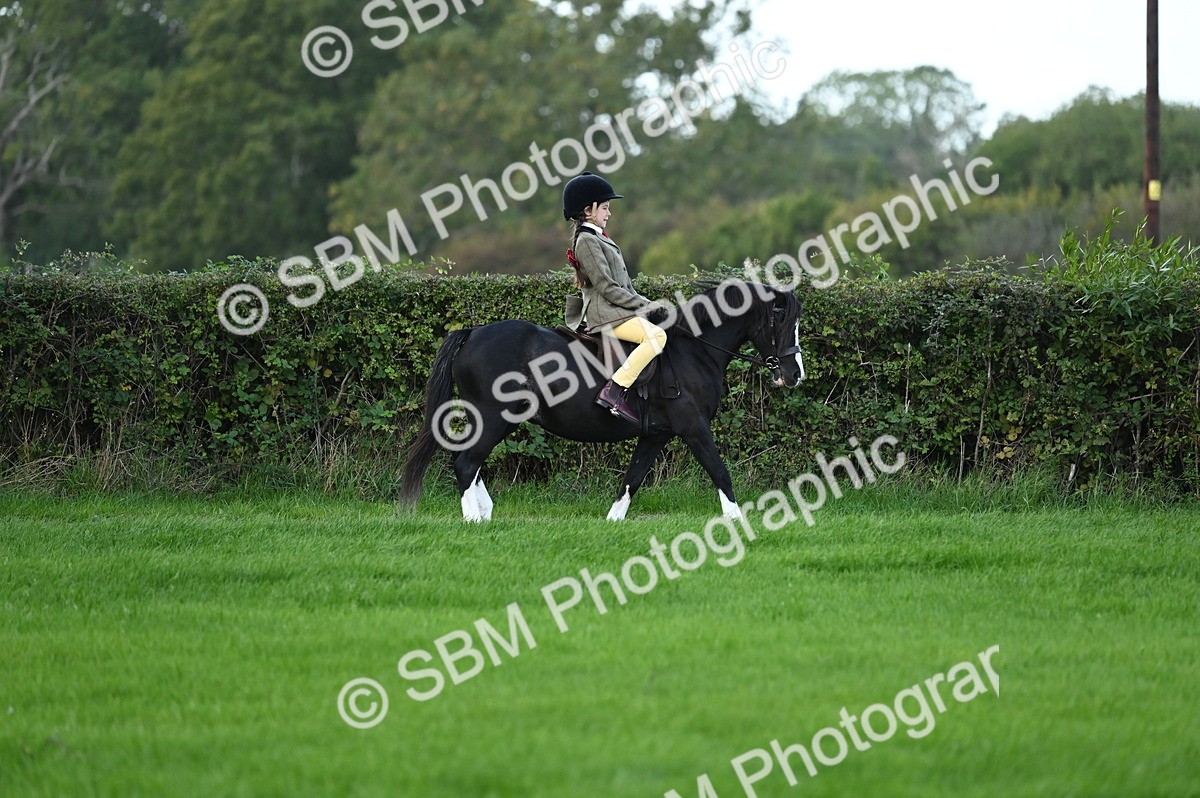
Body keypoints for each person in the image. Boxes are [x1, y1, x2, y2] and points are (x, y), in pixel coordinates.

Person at [562, 172, 666, 426]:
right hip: (605, 313)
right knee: (656, 337)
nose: (609, 213)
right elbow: (607, 287)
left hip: (617, 309)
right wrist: (644, 305)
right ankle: (615, 391)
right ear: (588, 210)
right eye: (605, 208)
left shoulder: (598, 236)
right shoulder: (587, 241)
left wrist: (646, 303)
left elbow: (623, 286)